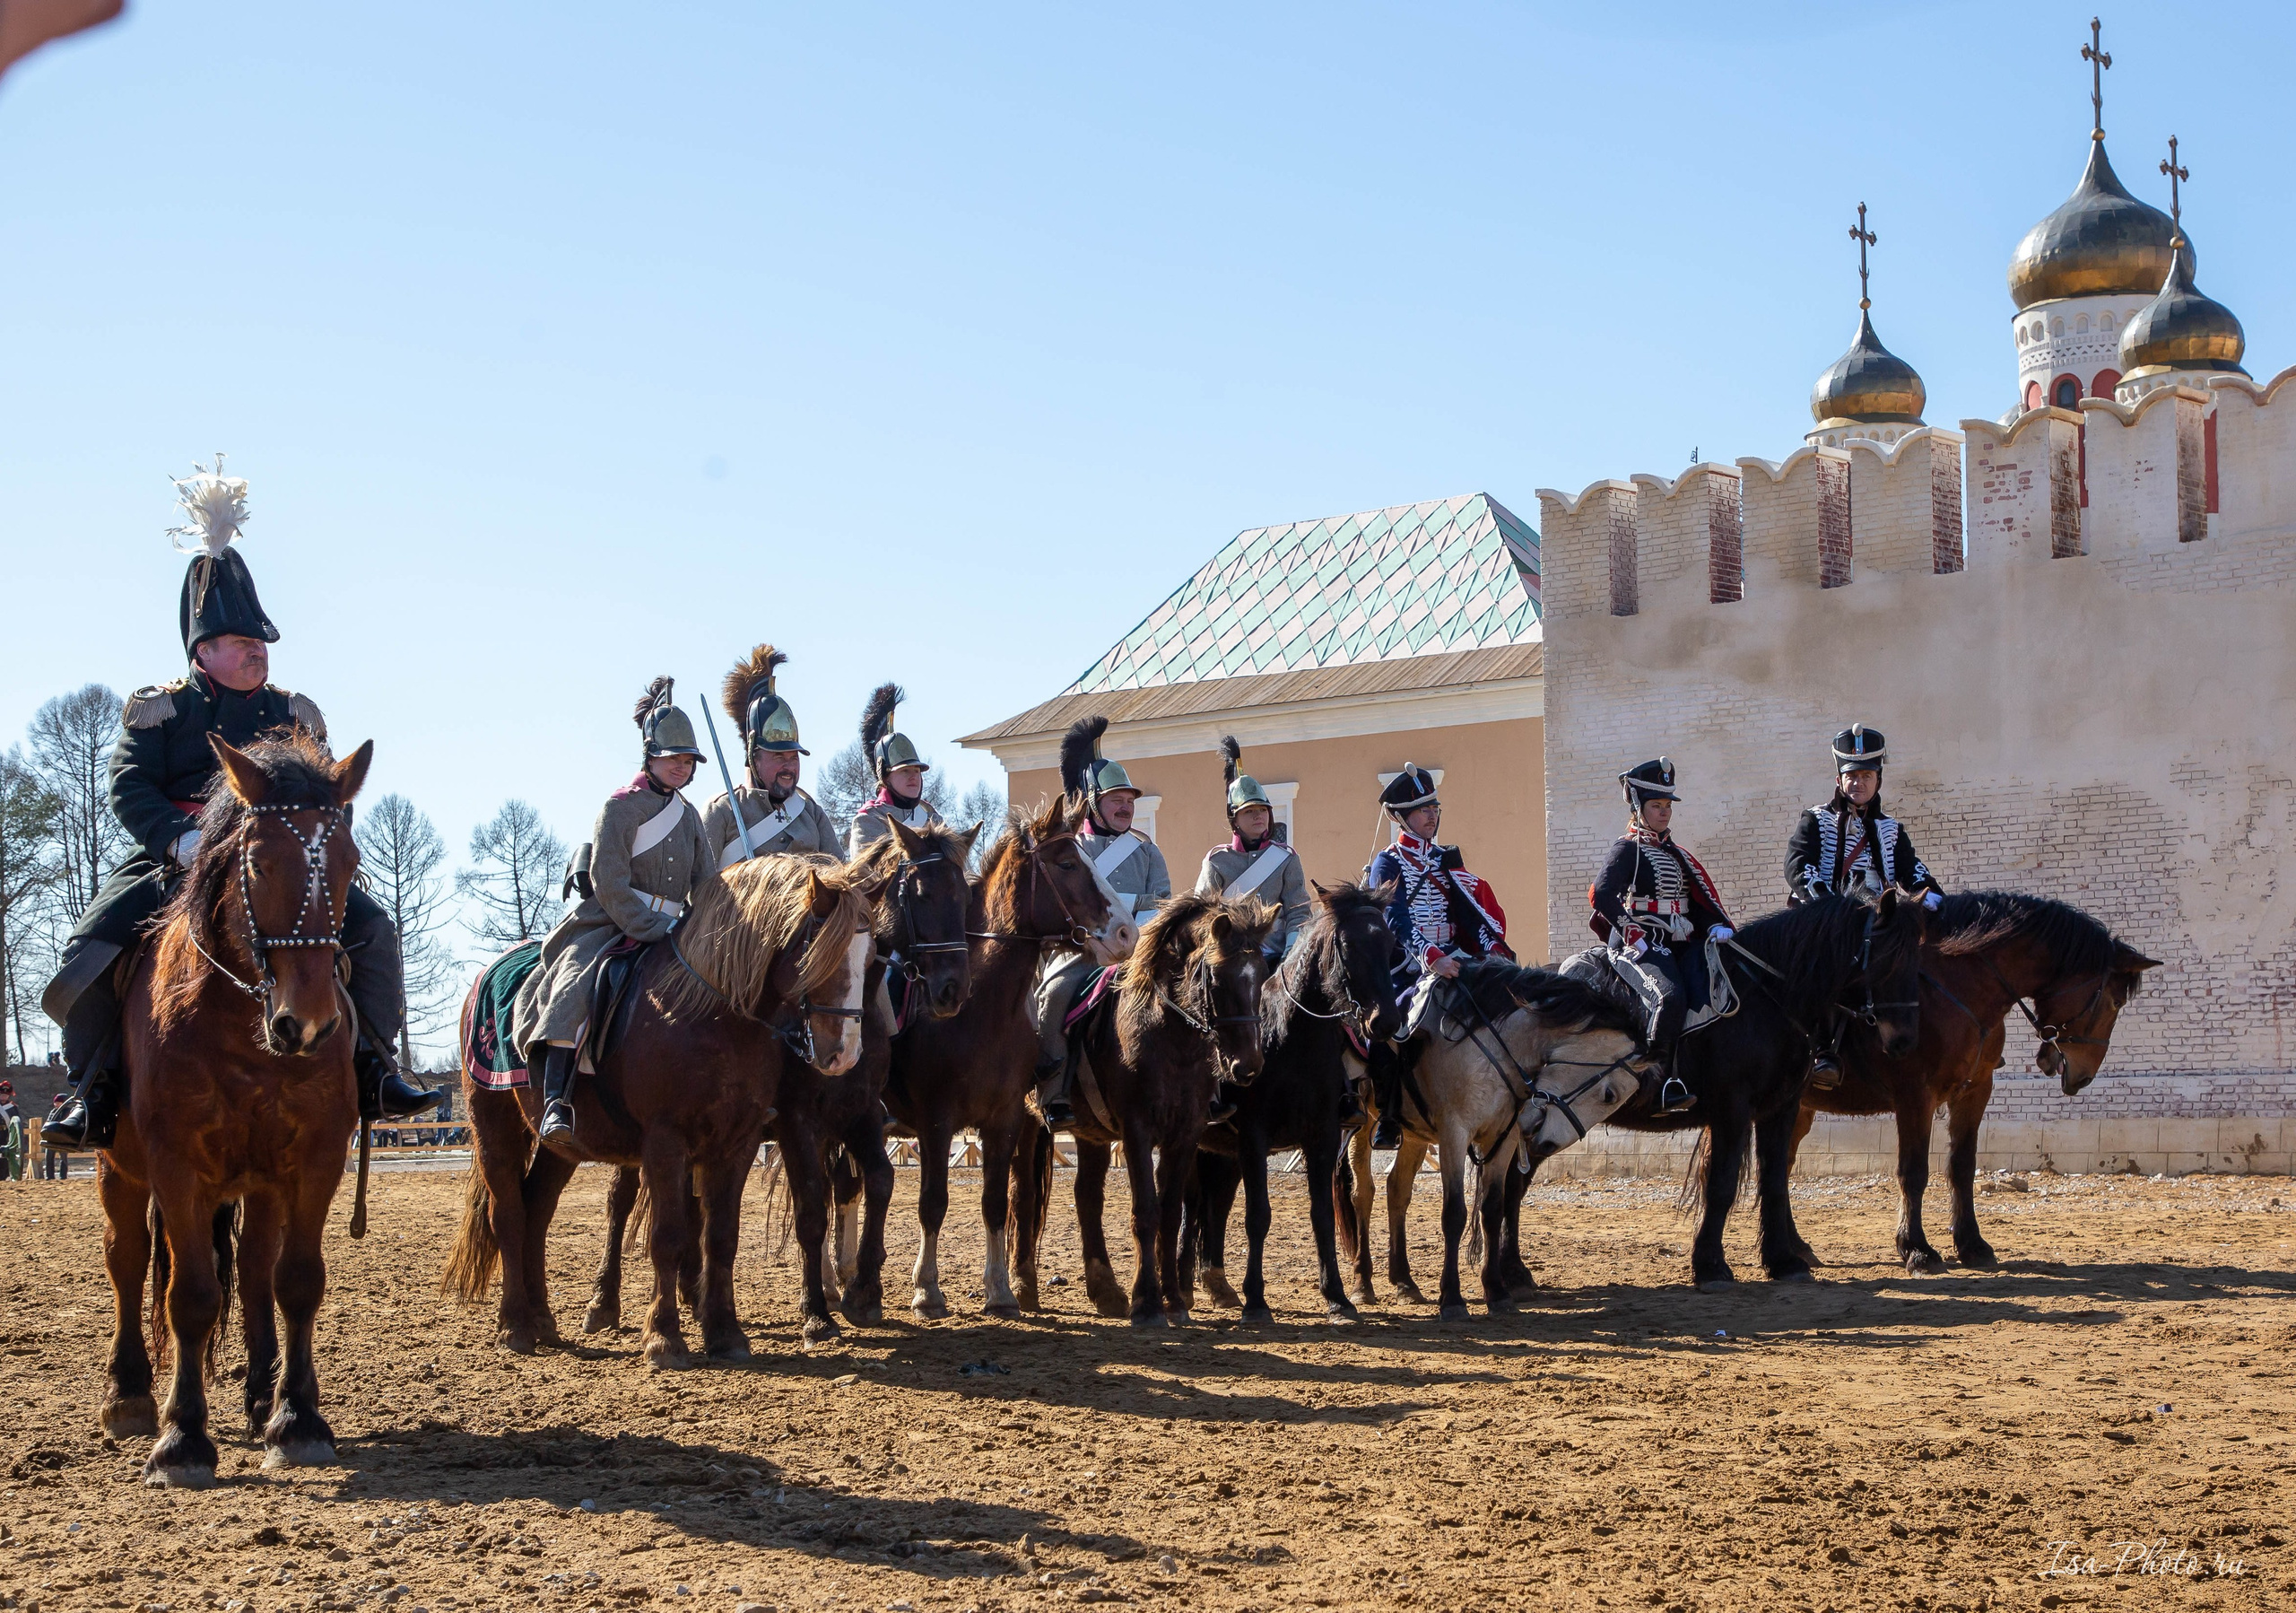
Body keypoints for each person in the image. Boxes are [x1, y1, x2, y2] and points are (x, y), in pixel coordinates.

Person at [41, 459, 436, 1149]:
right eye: (243, 643)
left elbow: (326, 799)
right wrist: (180, 841)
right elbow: (128, 788)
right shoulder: (157, 712)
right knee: (93, 951)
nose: (258, 653)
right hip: (175, 860)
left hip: (281, 863)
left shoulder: (294, 712)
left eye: (260, 644)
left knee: (374, 933)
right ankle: (92, 1088)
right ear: (203, 651)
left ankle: (376, 1067)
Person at [513, 676, 714, 1144]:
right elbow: (608, 882)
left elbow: (705, 884)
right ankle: (556, 1102)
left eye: (687, 761)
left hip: (676, 927)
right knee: (574, 985)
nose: (681, 768)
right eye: (673, 759)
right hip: (609, 921)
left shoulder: (689, 817)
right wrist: (649, 927)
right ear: (650, 757)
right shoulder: (619, 808)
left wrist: (704, 927)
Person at [1784, 724, 1944, 1086]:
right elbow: (1797, 866)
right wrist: (1828, 906)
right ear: (1840, 780)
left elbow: (1913, 871)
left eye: (1867, 775)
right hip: (1826, 917)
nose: (1859, 783)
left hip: (1880, 917)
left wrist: (1933, 897)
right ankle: (1823, 1051)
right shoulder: (1815, 820)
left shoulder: (1891, 830)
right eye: (1851, 775)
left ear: (1878, 779)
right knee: (1825, 962)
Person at [1362, 764, 1512, 1147]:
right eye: (1421, 810)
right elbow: (1396, 920)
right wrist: (1431, 959)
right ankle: (1391, 1114)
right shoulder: (1389, 862)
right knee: (1389, 1026)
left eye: (1433, 808)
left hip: (1455, 954)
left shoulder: (1446, 859)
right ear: (1401, 817)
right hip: (1407, 965)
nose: (1431, 815)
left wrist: (1492, 948)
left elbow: (1469, 913)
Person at [1034, 715, 1170, 1129]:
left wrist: (1127, 914)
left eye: (1129, 799)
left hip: (1140, 949)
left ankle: (1207, 1090)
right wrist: (1128, 906)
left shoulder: (1149, 853)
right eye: (1116, 799)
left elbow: (1162, 904)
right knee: (1054, 996)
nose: (1126, 805)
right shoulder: (1074, 849)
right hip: (1083, 951)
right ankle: (1053, 1092)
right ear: (1093, 801)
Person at [1588, 758, 1733, 1117]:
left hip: (1680, 942)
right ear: (1639, 808)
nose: (1664, 813)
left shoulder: (1677, 854)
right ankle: (1658, 1082)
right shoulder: (1627, 850)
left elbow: (1694, 900)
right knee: (1669, 997)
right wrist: (1630, 929)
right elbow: (1602, 895)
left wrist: (1714, 924)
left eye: (1668, 806)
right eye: (1656, 805)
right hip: (1639, 943)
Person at [701, 643, 841, 867]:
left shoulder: (811, 813)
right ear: (754, 757)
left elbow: (839, 876)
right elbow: (700, 890)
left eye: (794, 758)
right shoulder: (724, 811)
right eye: (779, 757)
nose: (789, 767)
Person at [1194, 737, 1309, 957]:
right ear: (1234, 820)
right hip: (1229, 957)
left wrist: (1290, 953)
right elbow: (1202, 914)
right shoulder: (1217, 861)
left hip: (1278, 955)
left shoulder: (1286, 858)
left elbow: (1299, 911)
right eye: (1249, 811)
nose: (1258, 815)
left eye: (1263, 810)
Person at [848, 683, 946, 855]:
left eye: (916, 771)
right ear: (886, 778)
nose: (914, 777)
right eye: (904, 771)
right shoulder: (869, 820)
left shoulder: (933, 818)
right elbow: (866, 877)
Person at [0, 1080, 23, 1182]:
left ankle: (3, 1176)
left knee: (5, 1157)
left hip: (6, 1134)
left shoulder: (12, 1107)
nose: (4, 1097)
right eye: (2, 1094)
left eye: (6, 1095)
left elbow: (17, 1122)